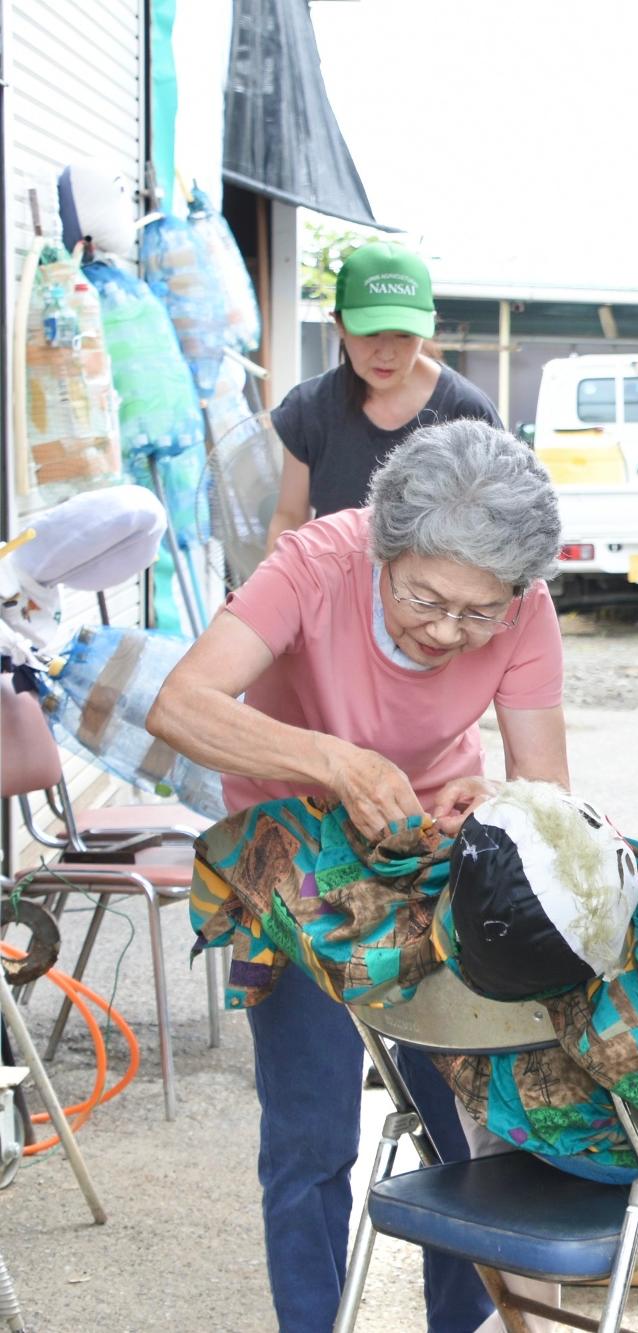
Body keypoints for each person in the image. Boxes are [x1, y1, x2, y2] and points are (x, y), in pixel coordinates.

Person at [149, 421, 569, 1331]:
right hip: (291, 856)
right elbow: (180, 703)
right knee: (311, 1132)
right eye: (425, 598)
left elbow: (548, 799)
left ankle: (457, 1322)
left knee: (462, 1125)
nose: (449, 630)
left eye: (479, 612)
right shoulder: (315, 562)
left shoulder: (524, 609)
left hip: (423, 854)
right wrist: (335, 764)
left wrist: (490, 803)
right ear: (384, 549)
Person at [267, 241, 500, 549]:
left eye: (404, 336)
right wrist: (265, 593)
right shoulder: (307, 409)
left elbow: (496, 523)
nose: (387, 353)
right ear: (340, 324)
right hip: (335, 587)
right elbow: (290, 516)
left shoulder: (468, 411)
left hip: (433, 594)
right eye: (370, 333)